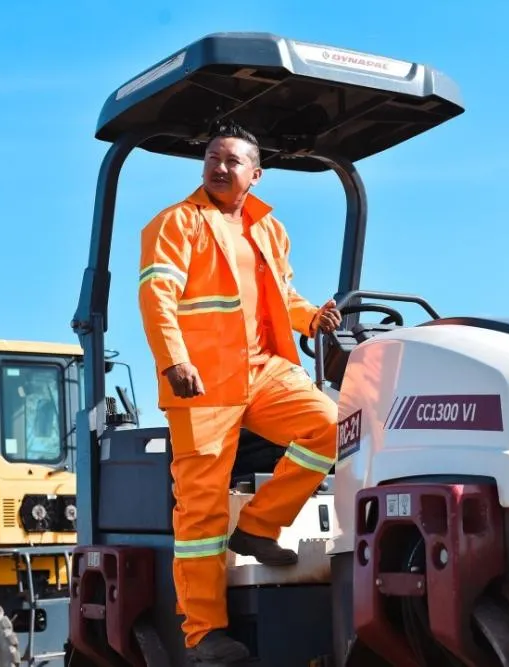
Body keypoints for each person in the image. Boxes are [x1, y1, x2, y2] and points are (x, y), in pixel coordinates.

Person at [137, 119, 342, 664]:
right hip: (202, 381)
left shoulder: (268, 228)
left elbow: (283, 295)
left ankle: (257, 526)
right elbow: (157, 297)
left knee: (330, 426)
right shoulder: (175, 223)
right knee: (201, 514)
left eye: (232, 160)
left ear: (256, 173)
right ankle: (203, 634)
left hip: (262, 370)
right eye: (212, 158)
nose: (219, 167)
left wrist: (311, 317)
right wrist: (174, 360)